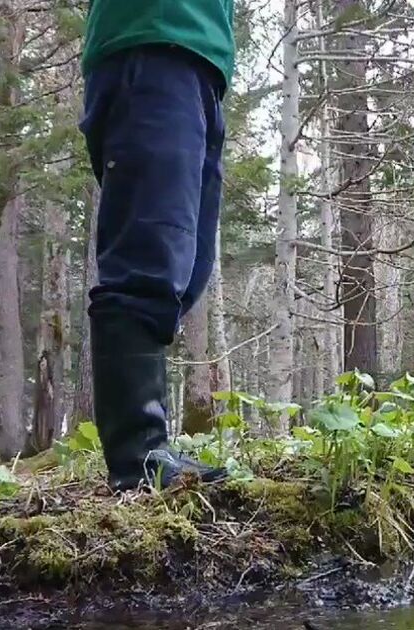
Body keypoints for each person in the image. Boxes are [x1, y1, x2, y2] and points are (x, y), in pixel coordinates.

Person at [79, 0, 235, 491]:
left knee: (187, 269)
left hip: (201, 64)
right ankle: (138, 457)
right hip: (148, 41)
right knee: (147, 260)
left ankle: (151, 449)